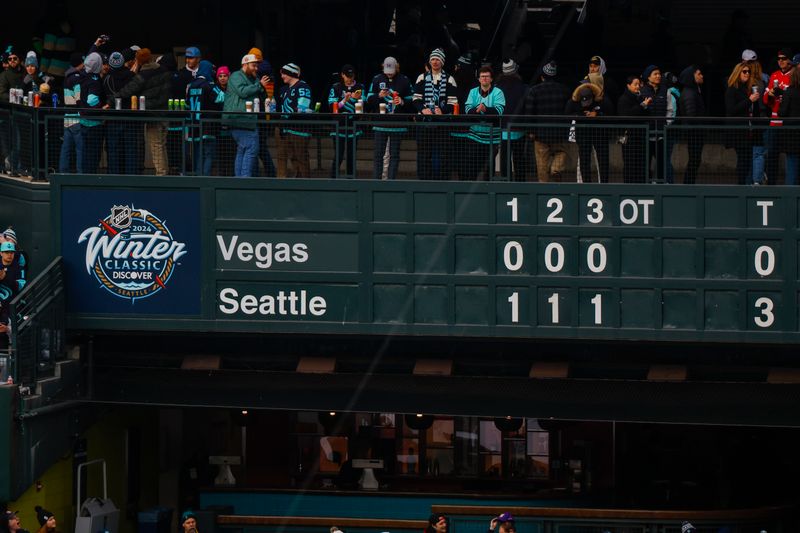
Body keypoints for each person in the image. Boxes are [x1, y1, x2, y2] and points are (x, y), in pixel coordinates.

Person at [117, 48, 173, 175]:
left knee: (156, 145)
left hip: (153, 115)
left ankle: (161, 174)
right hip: (165, 113)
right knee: (162, 144)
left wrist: (110, 101)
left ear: (140, 61)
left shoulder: (143, 75)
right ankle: (165, 172)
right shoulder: (163, 70)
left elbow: (128, 90)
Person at [412, 48, 458, 180]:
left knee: (444, 154)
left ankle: (442, 181)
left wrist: (442, 111)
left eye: (437, 59)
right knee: (424, 154)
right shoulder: (422, 77)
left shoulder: (450, 79)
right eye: (432, 59)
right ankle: (424, 181)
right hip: (424, 122)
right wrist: (422, 109)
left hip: (442, 123)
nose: (435, 62)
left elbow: (453, 102)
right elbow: (416, 99)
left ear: (442, 62)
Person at [365, 56, 413, 180]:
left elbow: (412, 100)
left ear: (397, 68)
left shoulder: (404, 80)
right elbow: (368, 100)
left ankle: (391, 181)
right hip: (380, 123)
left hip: (397, 124)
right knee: (378, 154)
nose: (389, 75)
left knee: (394, 155)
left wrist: (402, 101)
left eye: (392, 72)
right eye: (387, 72)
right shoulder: (377, 79)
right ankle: (376, 181)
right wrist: (378, 96)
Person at [222, 53, 268, 177]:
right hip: (239, 119)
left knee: (243, 150)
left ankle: (240, 180)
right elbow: (242, 92)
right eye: (254, 65)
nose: (256, 68)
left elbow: (263, 96)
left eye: (257, 66)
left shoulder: (254, 78)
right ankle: (244, 180)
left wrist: (262, 88)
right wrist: (259, 85)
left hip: (247, 120)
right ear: (245, 64)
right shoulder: (236, 76)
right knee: (251, 148)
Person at [523, 60, 570, 182]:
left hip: (540, 134)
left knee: (542, 163)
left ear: (542, 77)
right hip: (560, 133)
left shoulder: (534, 91)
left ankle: (543, 188)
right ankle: (555, 169)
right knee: (561, 152)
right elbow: (569, 111)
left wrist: (530, 131)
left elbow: (529, 113)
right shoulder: (564, 90)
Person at [461, 66, 505, 180]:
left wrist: (484, 109)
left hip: (492, 137)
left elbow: (499, 111)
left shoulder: (498, 92)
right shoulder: (473, 91)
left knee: (489, 168)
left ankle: (488, 190)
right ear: (479, 79)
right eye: (482, 76)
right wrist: (480, 111)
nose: (484, 78)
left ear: (491, 79)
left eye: (487, 76)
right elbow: (467, 110)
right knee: (472, 165)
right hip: (474, 136)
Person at [725, 62, 765, 184]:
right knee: (743, 159)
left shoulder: (749, 88)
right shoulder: (732, 89)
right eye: (744, 71)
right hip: (739, 131)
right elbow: (731, 109)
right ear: (738, 73)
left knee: (748, 159)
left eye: (749, 72)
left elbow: (754, 111)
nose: (747, 74)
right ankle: (741, 186)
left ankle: (746, 185)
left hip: (750, 130)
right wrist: (749, 100)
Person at [565, 82, 612, 183]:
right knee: (584, 159)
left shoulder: (602, 100)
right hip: (583, 134)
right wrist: (580, 115)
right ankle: (586, 183)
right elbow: (567, 115)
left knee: (603, 159)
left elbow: (611, 114)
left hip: (600, 134)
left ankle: (604, 184)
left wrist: (597, 114)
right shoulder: (573, 101)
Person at [496, 59, 532, 181]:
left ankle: (506, 181)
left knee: (505, 157)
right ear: (515, 70)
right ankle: (520, 182)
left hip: (503, 127)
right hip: (520, 128)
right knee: (519, 157)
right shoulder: (523, 88)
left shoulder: (497, 88)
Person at [763, 48, 794, 184]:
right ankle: (771, 184)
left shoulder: (795, 75)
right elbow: (765, 99)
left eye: (784, 58)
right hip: (775, 121)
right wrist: (768, 95)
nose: (780, 61)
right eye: (779, 59)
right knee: (772, 156)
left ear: (790, 60)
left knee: (791, 155)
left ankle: (791, 185)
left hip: (788, 122)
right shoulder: (774, 75)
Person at [103, 50, 137, 175]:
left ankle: (114, 176)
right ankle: (131, 176)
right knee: (130, 149)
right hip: (130, 118)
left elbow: (103, 97)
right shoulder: (132, 76)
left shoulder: (107, 78)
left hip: (112, 119)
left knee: (113, 149)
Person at [276, 62, 313, 177]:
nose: (282, 76)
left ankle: (303, 184)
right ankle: (281, 183)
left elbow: (302, 108)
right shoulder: (283, 89)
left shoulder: (303, 87)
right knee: (281, 157)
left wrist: (293, 111)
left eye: (284, 74)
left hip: (298, 129)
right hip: (284, 129)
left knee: (300, 158)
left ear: (291, 74)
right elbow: (279, 107)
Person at [327, 64, 364, 178]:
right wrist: (345, 100)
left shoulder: (360, 87)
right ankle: (333, 179)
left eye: (351, 76)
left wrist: (358, 99)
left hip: (354, 126)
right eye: (347, 76)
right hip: (339, 126)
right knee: (339, 154)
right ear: (342, 75)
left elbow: (364, 107)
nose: (349, 79)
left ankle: (351, 179)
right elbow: (332, 107)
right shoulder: (336, 87)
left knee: (351, 155)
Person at [247, 47, 276, 178]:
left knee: (257, 148)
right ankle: (268, 173)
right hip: (264, 114)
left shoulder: (261, 70)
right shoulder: (266, 71)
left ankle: (258, 174)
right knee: (259, 147)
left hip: (260, 114)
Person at [617, 75, 650, 183]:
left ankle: (641, 187)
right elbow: (626, 115)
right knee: (630, 163)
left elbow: (646, 115)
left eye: (639, 84)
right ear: (628, 86)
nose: (638, 87)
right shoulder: (624, 99)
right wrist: (642, 106)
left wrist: (645, 106)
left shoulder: (640, 97)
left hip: (640, 136)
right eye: (635, 84)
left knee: (641, 164)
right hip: (629, 137)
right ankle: (629, 188)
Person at [677, 65, 706, 184]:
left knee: (695, 160)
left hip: (695, 132)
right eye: (699, 74)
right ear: (691, 77)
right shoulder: (689, 93)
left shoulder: (693, 91)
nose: (702, 76)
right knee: (694, 160)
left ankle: (689, 184)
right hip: (694, 133)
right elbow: (691, 115)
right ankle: (688, 185)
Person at [640, 64, 669, 181]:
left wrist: (666, 124)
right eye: (655, 74)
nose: (658, 76)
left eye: (659, 74)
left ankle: (661, 186)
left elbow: (669, 110)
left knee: (662, 163)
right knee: (645, 164)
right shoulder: (642, 91)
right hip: (646, 135)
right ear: (648, 77)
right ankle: (646, 187)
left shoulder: (664, 90)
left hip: (661, 134)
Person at [78, 52, 105, 174]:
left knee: (84, 153)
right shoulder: (95, 80)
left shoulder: (83, 75)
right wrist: (103, 107)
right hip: (94, 123)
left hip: (83, 120)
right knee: (93, 154)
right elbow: (92, 101)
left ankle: (84, 177)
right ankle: (91, 177)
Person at [58, 52, 84, 174]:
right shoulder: (77, 78)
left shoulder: (67, 76)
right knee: (80, 149)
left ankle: (63, 173)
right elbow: (79, 98)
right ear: (81, 63)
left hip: (67, 117)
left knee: (66, 149)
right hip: (76, 118)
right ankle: (80, 174)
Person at [0, 47, 25, 176]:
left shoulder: (23, 75)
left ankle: (16, 167)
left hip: (22, 115)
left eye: (15, 58)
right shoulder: (4, 75)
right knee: (14, 143)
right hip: (8, 115)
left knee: (20, 143)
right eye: (10, 59)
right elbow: (1, 94)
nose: (12, 61)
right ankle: (11, 167)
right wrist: (14, 97)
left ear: (19, 60)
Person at [778, 61, 800, 185]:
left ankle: (790, 196)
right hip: (794, 134)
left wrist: (782, 102)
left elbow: (782, 112)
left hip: (792, 135)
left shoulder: (789, 92)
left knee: (792, 165)